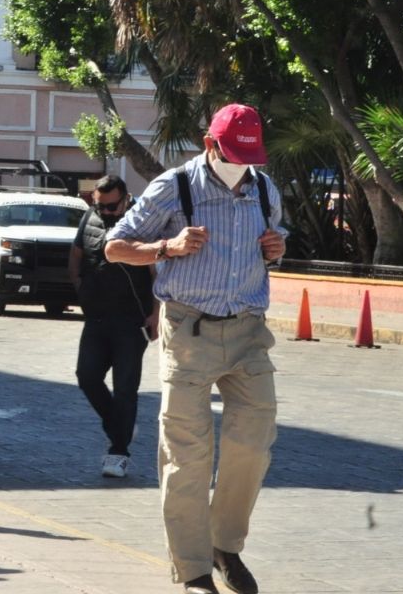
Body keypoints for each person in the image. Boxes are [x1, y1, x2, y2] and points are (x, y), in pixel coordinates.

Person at [104, 103, 285, 594]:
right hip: (188, 331)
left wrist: (276, 248)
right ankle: (194, 569)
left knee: (254, 442)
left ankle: (224, 544)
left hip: (249, 330)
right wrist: (168, 247)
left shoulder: (264, 188)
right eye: (232, 156)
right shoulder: (174, 187)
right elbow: (115, 246)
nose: (240, 167)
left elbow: (274, 239)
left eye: (249, 158)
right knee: (187, 455)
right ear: (210, 145)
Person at [68, 175, 157, 479]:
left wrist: (155, 313)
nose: (105, 212)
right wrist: (80, 286)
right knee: (87, 376)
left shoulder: (141, 223)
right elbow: (76, 255)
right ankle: (119, 426)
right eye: (100, 206)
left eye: (111, 206)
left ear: (125, 198)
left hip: (131, 320)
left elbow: (157, 272)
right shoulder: (89, 218)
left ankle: (118, 452)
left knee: (125, 387)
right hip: (96, 317)